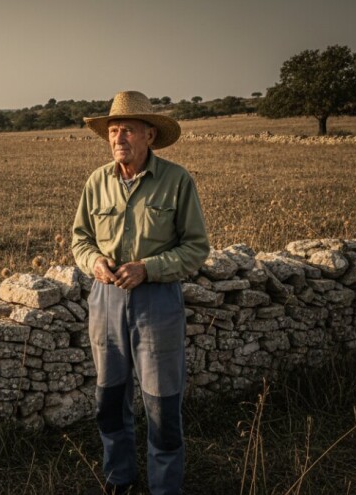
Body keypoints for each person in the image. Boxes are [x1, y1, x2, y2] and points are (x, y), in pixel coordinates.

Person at [71, 91, 210, 494]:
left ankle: (165, 488)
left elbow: (196, 247)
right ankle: (120, 479)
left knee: (162, 405)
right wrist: (94, 262)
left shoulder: (177, 181)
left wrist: (148, 269)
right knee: (109, 400)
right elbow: (80, 239)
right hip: (105, 300)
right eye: (113, 130)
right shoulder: (97, 182)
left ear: (150, 135)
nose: (118, 138)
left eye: (127, 130)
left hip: (157, 302)